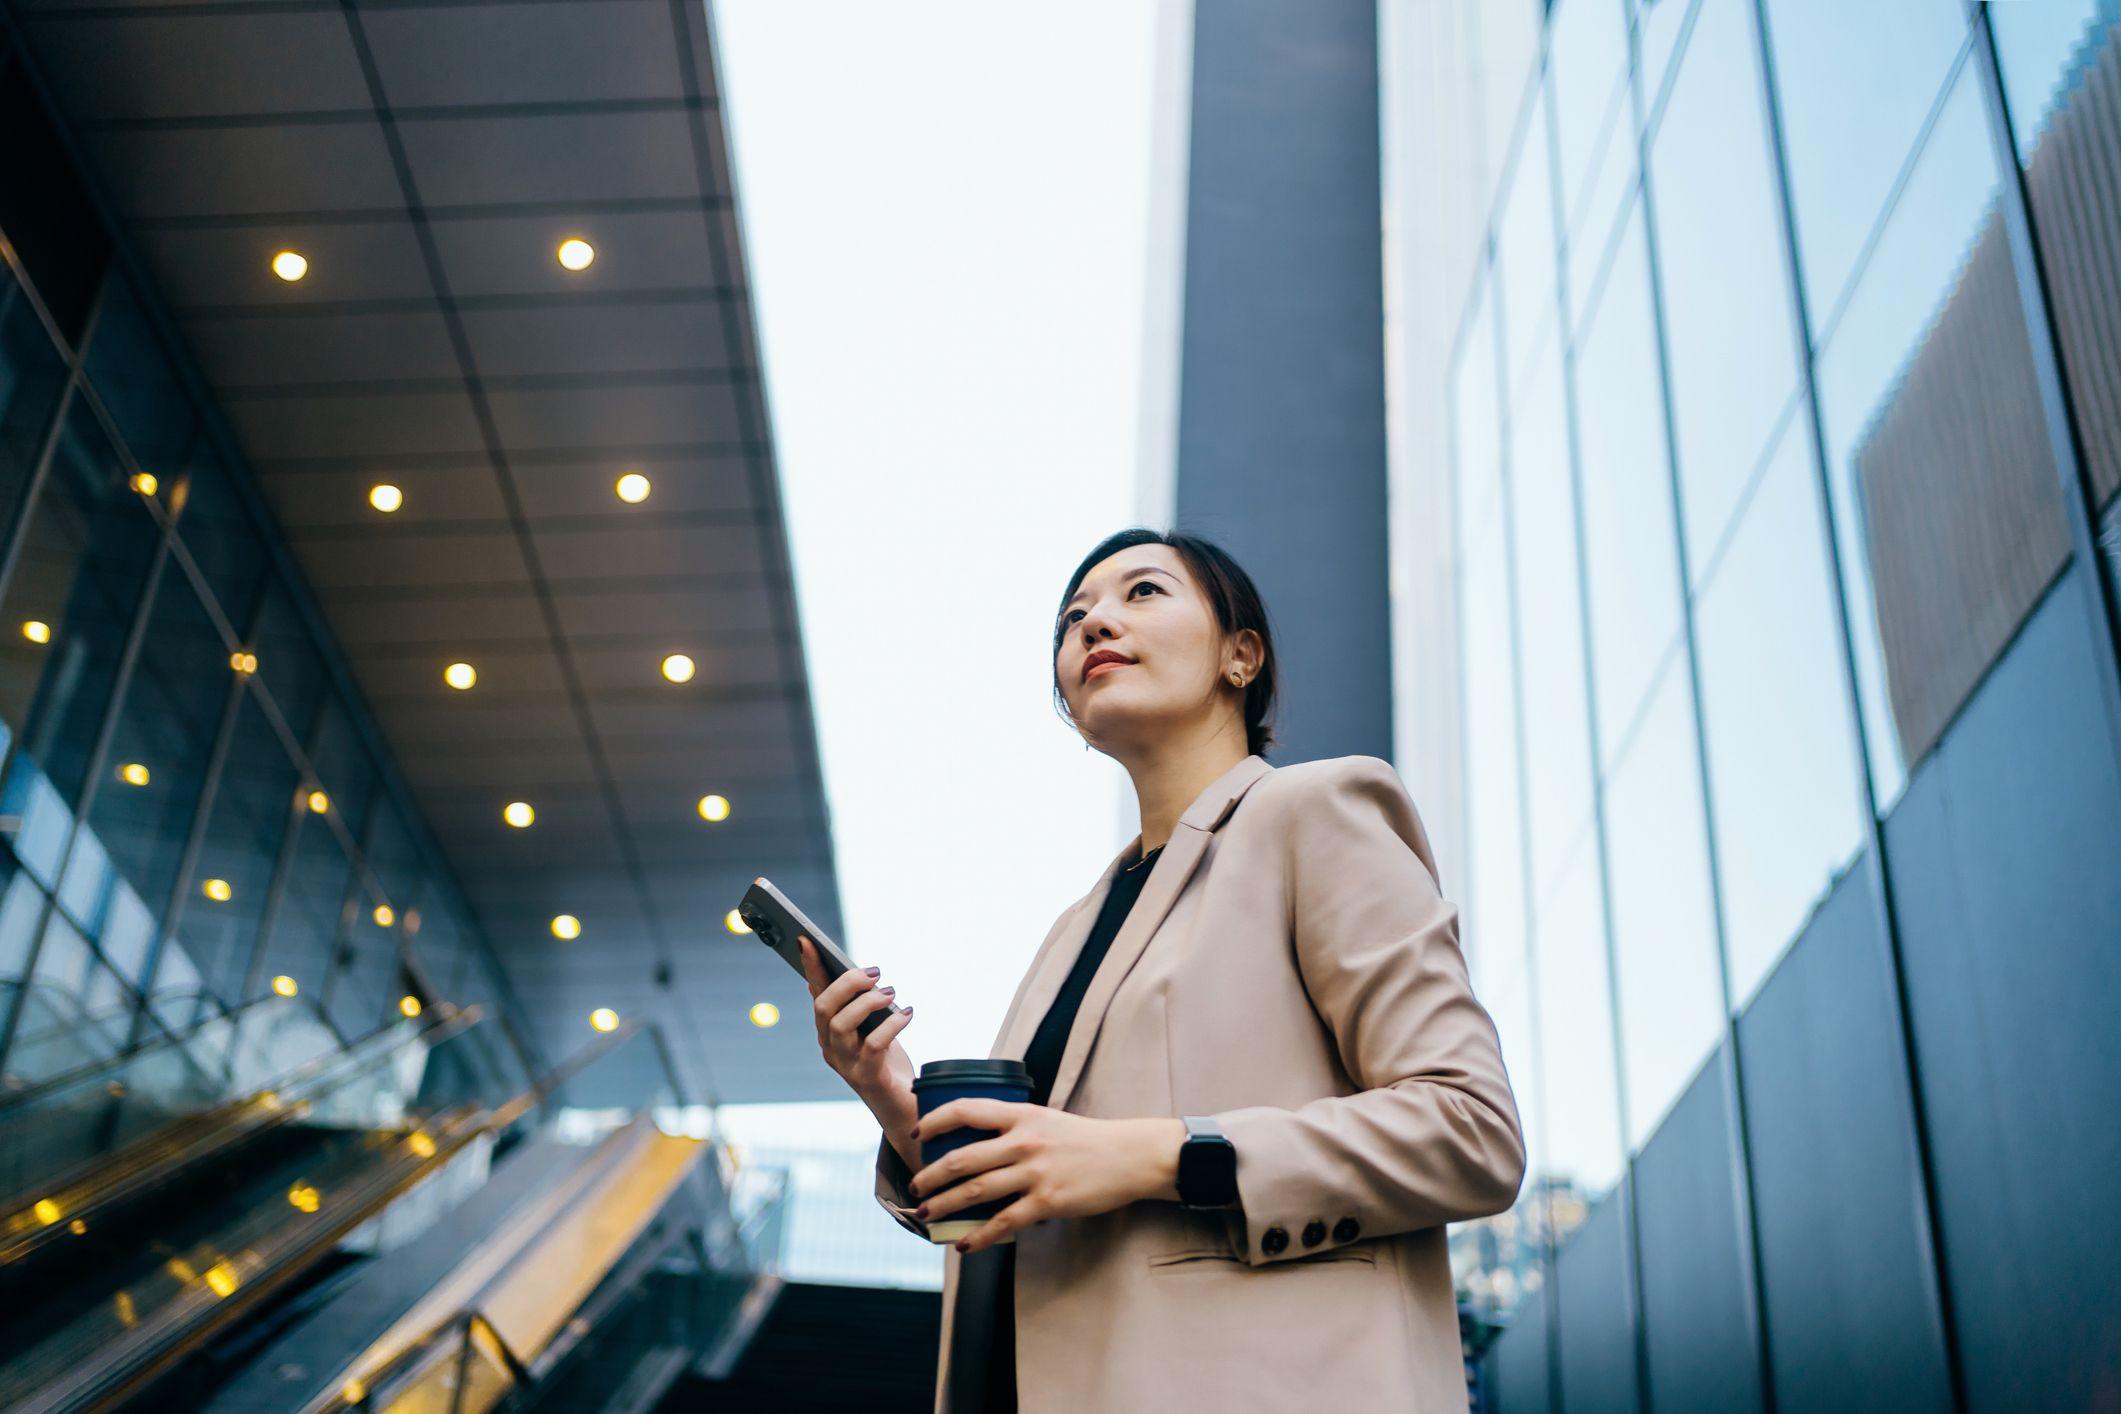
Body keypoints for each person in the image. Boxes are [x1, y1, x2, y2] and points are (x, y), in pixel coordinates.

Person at [798, 527, 1525, 1412]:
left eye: (1141, 593)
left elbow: (1472, 1132)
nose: (1095, 621)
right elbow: (1031, 1185)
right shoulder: (1077, 924)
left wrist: (1154, 1154)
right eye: (1073, 617)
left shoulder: (1315, 812)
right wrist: (888, 1089)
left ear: (1240, 655)